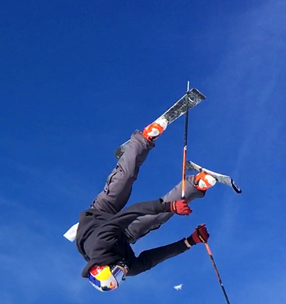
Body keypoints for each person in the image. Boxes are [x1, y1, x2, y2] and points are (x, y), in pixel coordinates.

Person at [72, 120, 234, 292]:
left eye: (118, 274)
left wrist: (170, 206)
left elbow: (131, 212)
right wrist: (190, 241)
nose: (123, 274)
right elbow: (152, 259)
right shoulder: (129, 267)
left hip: (101, 212)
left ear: (107, 267)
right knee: (154, 219)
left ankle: (143, 139)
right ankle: (196, 184)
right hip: (121, 237)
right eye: (120, 279)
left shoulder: (101, 243)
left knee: (125, 180)